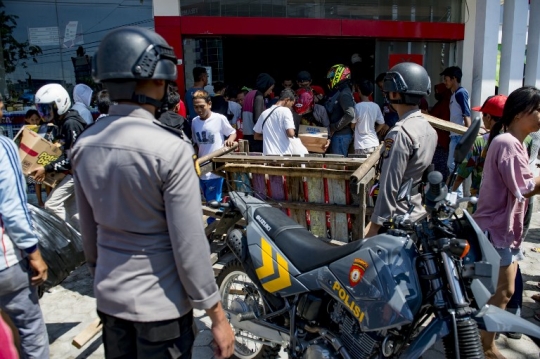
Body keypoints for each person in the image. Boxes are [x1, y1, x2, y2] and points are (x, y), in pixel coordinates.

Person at [71, 27, 235, 358]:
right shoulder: (170, 149)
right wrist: (217, 316)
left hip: (111, 304)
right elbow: (189, 246)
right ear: (158, 81)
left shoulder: (84, 145)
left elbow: (89, 237)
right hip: (161, 311)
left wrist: (105, 279)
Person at [472, 86, 540, 359]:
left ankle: (484, 341)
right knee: (502, 291)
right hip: (497, 229)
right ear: (520, 113)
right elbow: (523, 187)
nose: (539, 115)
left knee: (505, 290)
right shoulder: (508, 143)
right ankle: (483, 344)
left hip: (503, 230)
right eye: (536, 110)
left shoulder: (513, 142)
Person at [0, 93, 50, 358]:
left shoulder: (56, 128)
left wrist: (44, 165)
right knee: (30, 331)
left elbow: (56, 153)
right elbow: (12, 205)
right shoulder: (5, 145)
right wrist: (34, 253)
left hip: (49, 178)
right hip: (6, 260)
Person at [365, 62, 437, 238]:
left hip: (397, 221)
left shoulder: (399, 133)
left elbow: (390, 185)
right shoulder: (429, 129)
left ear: (395, 93)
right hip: (417, 214)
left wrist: (374, 226)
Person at [31, 83, 87, 230]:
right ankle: (85, 243)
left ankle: (65, 243)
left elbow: (73, 157)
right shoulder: (61, 122)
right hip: (75, 172)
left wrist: (47, 167)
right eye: (41, 109)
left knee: (52, 204)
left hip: (78, 173)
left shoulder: (71, 123)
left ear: (59, 104)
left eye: (47, 109)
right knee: (73, 211)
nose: (44, 114)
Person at [191, 89, 236, 224]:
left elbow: (232, 132)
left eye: (202, 106)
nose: (199, 110)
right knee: (206, 200)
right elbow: (196, 143)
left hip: (215, 169)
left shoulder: (219, 119)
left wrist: (230, 140)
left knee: (213, 203)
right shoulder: (194, 121)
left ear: (209, 104)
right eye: (196, 107)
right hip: (201, 168)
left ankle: (214, 230)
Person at [452, 95, 509, 197]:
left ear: (488, 117)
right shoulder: (522, 140)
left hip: (481, 203)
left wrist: (445, 194)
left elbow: (460, 176)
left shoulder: (479, 142)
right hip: (507, 204)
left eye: (483, 114)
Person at [441, 66, 471, 197]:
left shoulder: (460, 93)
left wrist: (467, 137)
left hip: (459, 136)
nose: (445, 82)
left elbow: (467, 115)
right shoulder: (454, 94)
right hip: (455, 135)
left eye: (446, 79)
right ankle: (454, 196)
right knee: (452, 166)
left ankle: (456, 198)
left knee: (453, 167)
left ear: (454, 79)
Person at [24, 109, 57, 207]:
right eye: (32, 120)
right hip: (33, 157)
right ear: (27, 120)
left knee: (46, 179)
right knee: (36, 181)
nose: (34, 122)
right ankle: (40, 201)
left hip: (43, 157)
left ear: (40, 119)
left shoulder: (44, 129)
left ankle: (48, 199)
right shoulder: (26, 130)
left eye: (37, 119)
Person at [254, 88, 297, 155]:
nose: (291, 107)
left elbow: (256, 136)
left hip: (268, 157)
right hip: (283, 156)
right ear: (287, 100)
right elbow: (291, 134)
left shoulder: (264, 113)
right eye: (292, 104)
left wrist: (270, 137)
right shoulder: (286, 111)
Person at [326, 64, 355, 157]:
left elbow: (350, 114)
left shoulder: (344, 93)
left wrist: (334, 127)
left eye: (332, 76)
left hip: (341, 136)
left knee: (338, 167)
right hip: (340, 136)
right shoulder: (343, 91)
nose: (330, 78)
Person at [242, 73, 275, 153]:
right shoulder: (258, 95)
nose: (270, 92)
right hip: (255, 137)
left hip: (247, 134)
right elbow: (258, 118)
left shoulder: (249, 94)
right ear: (265, 85)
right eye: (270, 89)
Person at [351, 79, 384, 155]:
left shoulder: (357, 106)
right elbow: (382, 123)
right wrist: (374, 131)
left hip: (361, 145)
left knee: (361, 166)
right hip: (374, 143)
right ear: (371, 93)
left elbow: (352, 125)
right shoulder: (376, 106)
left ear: (359, 91)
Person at [430, 83, 452, 181]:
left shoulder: (445, 104)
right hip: (438, 141)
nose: (436, 93)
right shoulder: (441, 103)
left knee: (440, 169)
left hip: (442, 141)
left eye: (438, 91)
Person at [375, 72, 399, 138]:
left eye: (382, 87)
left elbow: (399, 113)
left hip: (394, 128)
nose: (381, 89)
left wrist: (389, 124)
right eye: (380, 88)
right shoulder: (385, 97)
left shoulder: (396, 96)